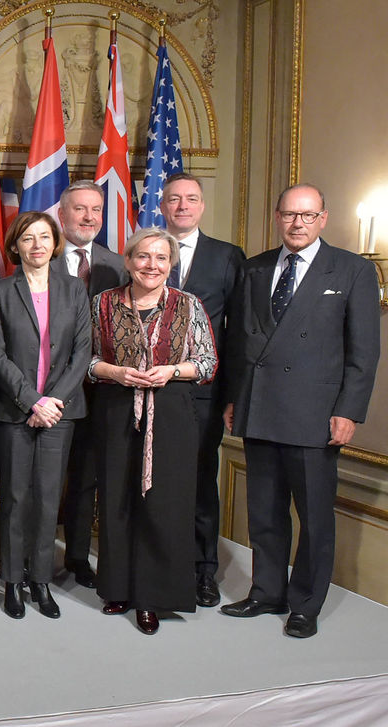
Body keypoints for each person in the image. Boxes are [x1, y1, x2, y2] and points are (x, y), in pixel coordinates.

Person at [220, 183, 380, 639]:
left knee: (314, 518)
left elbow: (364, 352)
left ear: (323, 219)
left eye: (308, 215)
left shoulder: (352, 269)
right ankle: (267, 592)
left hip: (316, 414)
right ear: (277, 217)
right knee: (264, 512)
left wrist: (349, 411)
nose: (298, 223)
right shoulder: (254, 268)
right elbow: (238, 342)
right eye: (290, 214)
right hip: (260, 407)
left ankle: (305, 604)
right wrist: (234, 398)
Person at [88, 228, 217, 635]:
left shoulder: (189, 305)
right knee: (117, 500)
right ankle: (118, 588)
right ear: (128, 261)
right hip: (115, 410)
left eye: (161, 258)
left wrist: (172, 371)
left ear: (171, 264)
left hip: (171, 414)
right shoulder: (103, 303)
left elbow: (208, 362)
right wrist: (115, 372)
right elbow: (87, 361)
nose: (152, 265)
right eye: (143, 256)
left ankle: (152, 597)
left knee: (163, 504)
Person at [0, 212, 91, 620]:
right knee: (15, 498)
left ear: (55, 243)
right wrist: (32, 401)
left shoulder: (74, 289)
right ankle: (13, 580)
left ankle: (41, 580)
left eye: (44, 237)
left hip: (60, 412)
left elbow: (82, 351)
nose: (37, 245)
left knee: (48, 499)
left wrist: (52, 402)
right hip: (14, 411)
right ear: (16, 245)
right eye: (28, 238)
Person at [158, 172, 245, 607]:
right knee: (152, 481)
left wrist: (233, 395)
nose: (182, 206)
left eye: (191, 199)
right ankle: (157, 567)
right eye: (174, 199)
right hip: (148, 391)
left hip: (203, 392)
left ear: (202, 206)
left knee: (199, 482)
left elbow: (239, 331)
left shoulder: (227, 257)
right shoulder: (145, 251)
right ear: (162, 206)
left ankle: (203, 570)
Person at [52, 180, 128, 587]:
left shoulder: (118, 265)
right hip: (48, 389)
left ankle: (78, 557)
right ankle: (33, 559)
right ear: (61, 214)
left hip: (100, 392)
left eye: (96, 209)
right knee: (44, 479)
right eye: (79, 209)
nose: (88, 217)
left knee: (85, 477)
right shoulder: (41, 255)